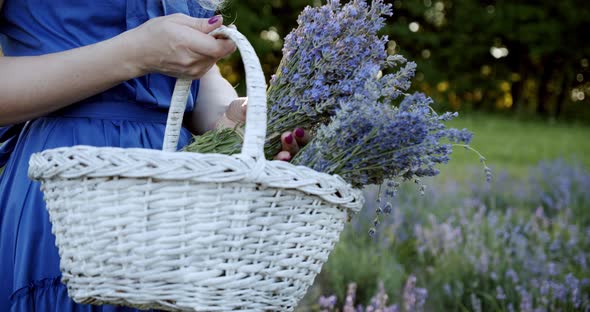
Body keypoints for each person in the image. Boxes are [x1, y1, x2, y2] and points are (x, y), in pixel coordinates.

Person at [0, 0, 308, 310]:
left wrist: (230, 119)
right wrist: (133, 55)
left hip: (175, 197)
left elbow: (197, 82)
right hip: (66, 188)